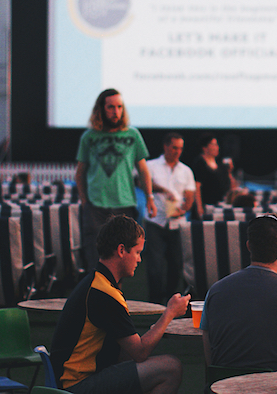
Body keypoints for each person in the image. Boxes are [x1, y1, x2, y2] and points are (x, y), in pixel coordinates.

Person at [51, 215, 189, 394]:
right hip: (77, 386)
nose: (139, 260)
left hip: (68, 380)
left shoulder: (95, 282)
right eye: (138, 252)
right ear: (122, 250)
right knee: (171, 367)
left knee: (128, 359)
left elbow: (130, 352)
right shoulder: (105, 293)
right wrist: (170, 313)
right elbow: (140, 352)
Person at [202, 213, 277, 371]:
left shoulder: (215, 292)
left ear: (249, 246)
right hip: (275, 388)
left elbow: (210, 359)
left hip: (221, 388)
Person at [76, 89, 156, 272]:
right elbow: (80, 173)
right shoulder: (89, 137)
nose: (116, 111)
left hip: (124, 205)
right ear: (101, 109)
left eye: (119, 107)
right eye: (111, 107)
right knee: (94, 259)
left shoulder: (133, 135)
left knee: (123, 260)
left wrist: (149, 197)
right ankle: (94, 297)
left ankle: (116, 298)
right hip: (96, 206)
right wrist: (85, 202)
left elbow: (143, 170)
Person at [144, 132, 196, 305]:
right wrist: (164, 190)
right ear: (166, 146)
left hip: (177, 223)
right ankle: (155, 302)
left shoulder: (186, 170)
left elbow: (190, 196)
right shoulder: (151, 165)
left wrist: (183, 209)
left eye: (180, 148)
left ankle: (172, 301)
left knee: (176, 264)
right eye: (174, 147)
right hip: (155, 220)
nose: (177, 151)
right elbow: (143, 183)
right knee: (155, 265)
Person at [190, 133, 234, 217]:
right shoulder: (200, 163)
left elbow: (230, 185)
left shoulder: (220, 164)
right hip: (206, 206)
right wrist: (199, 208)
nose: (216, 147)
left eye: (217, 145)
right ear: (205, 147)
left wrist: (229, 171)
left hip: (219, 206)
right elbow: (197, 186)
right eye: (213, 145)